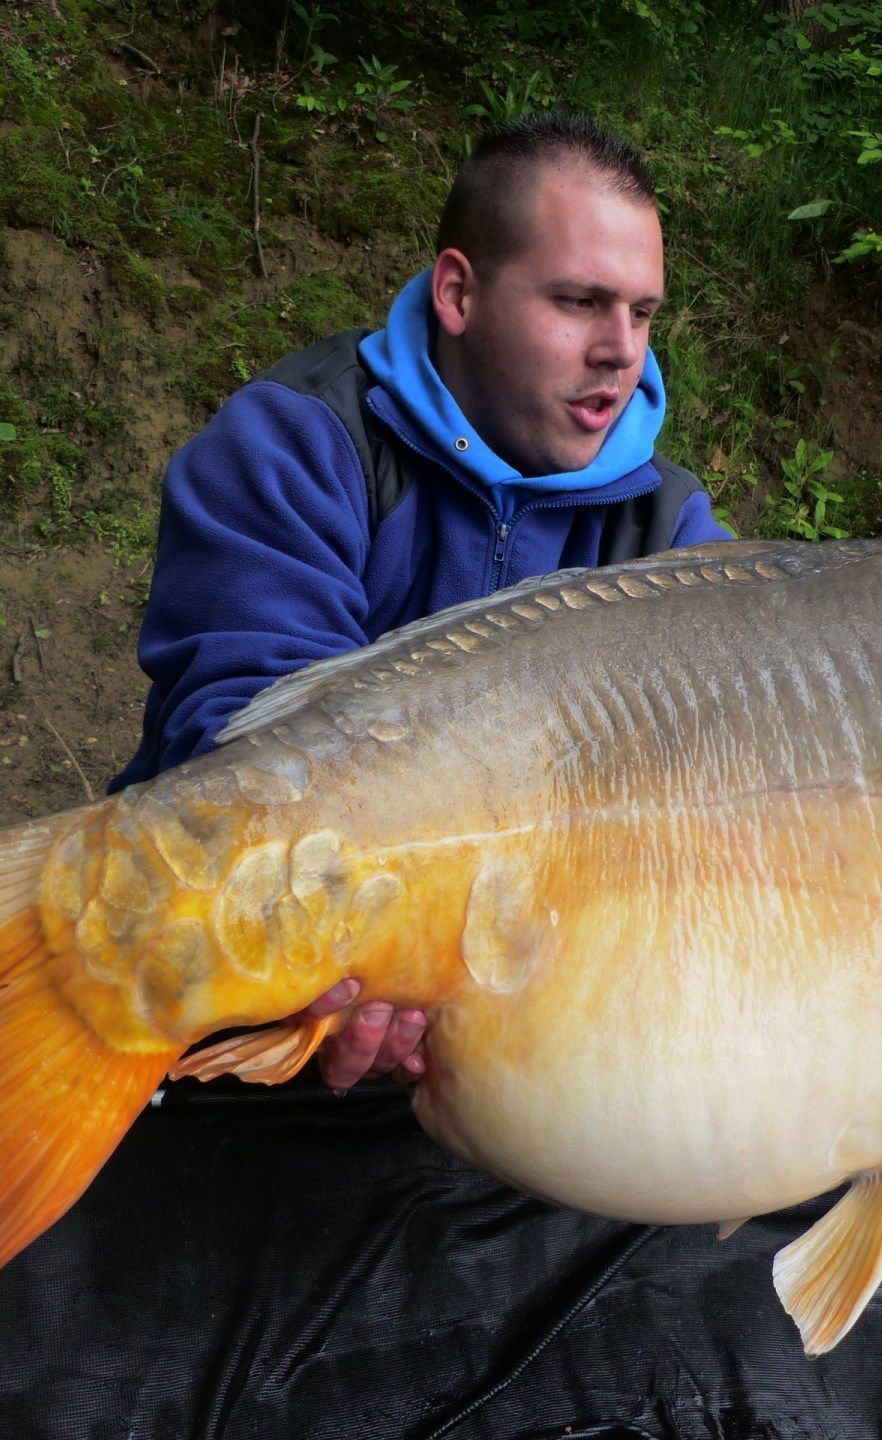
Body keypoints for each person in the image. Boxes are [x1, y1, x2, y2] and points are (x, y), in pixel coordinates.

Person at [110, 110, 730, 1087]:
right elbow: (244, 768)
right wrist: (405, 955)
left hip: (525, 1009)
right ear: (458, 293)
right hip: (231, 965)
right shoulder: (296, 446)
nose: (623, 351)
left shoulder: (672, 532)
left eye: (643, 312)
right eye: (579, 302)